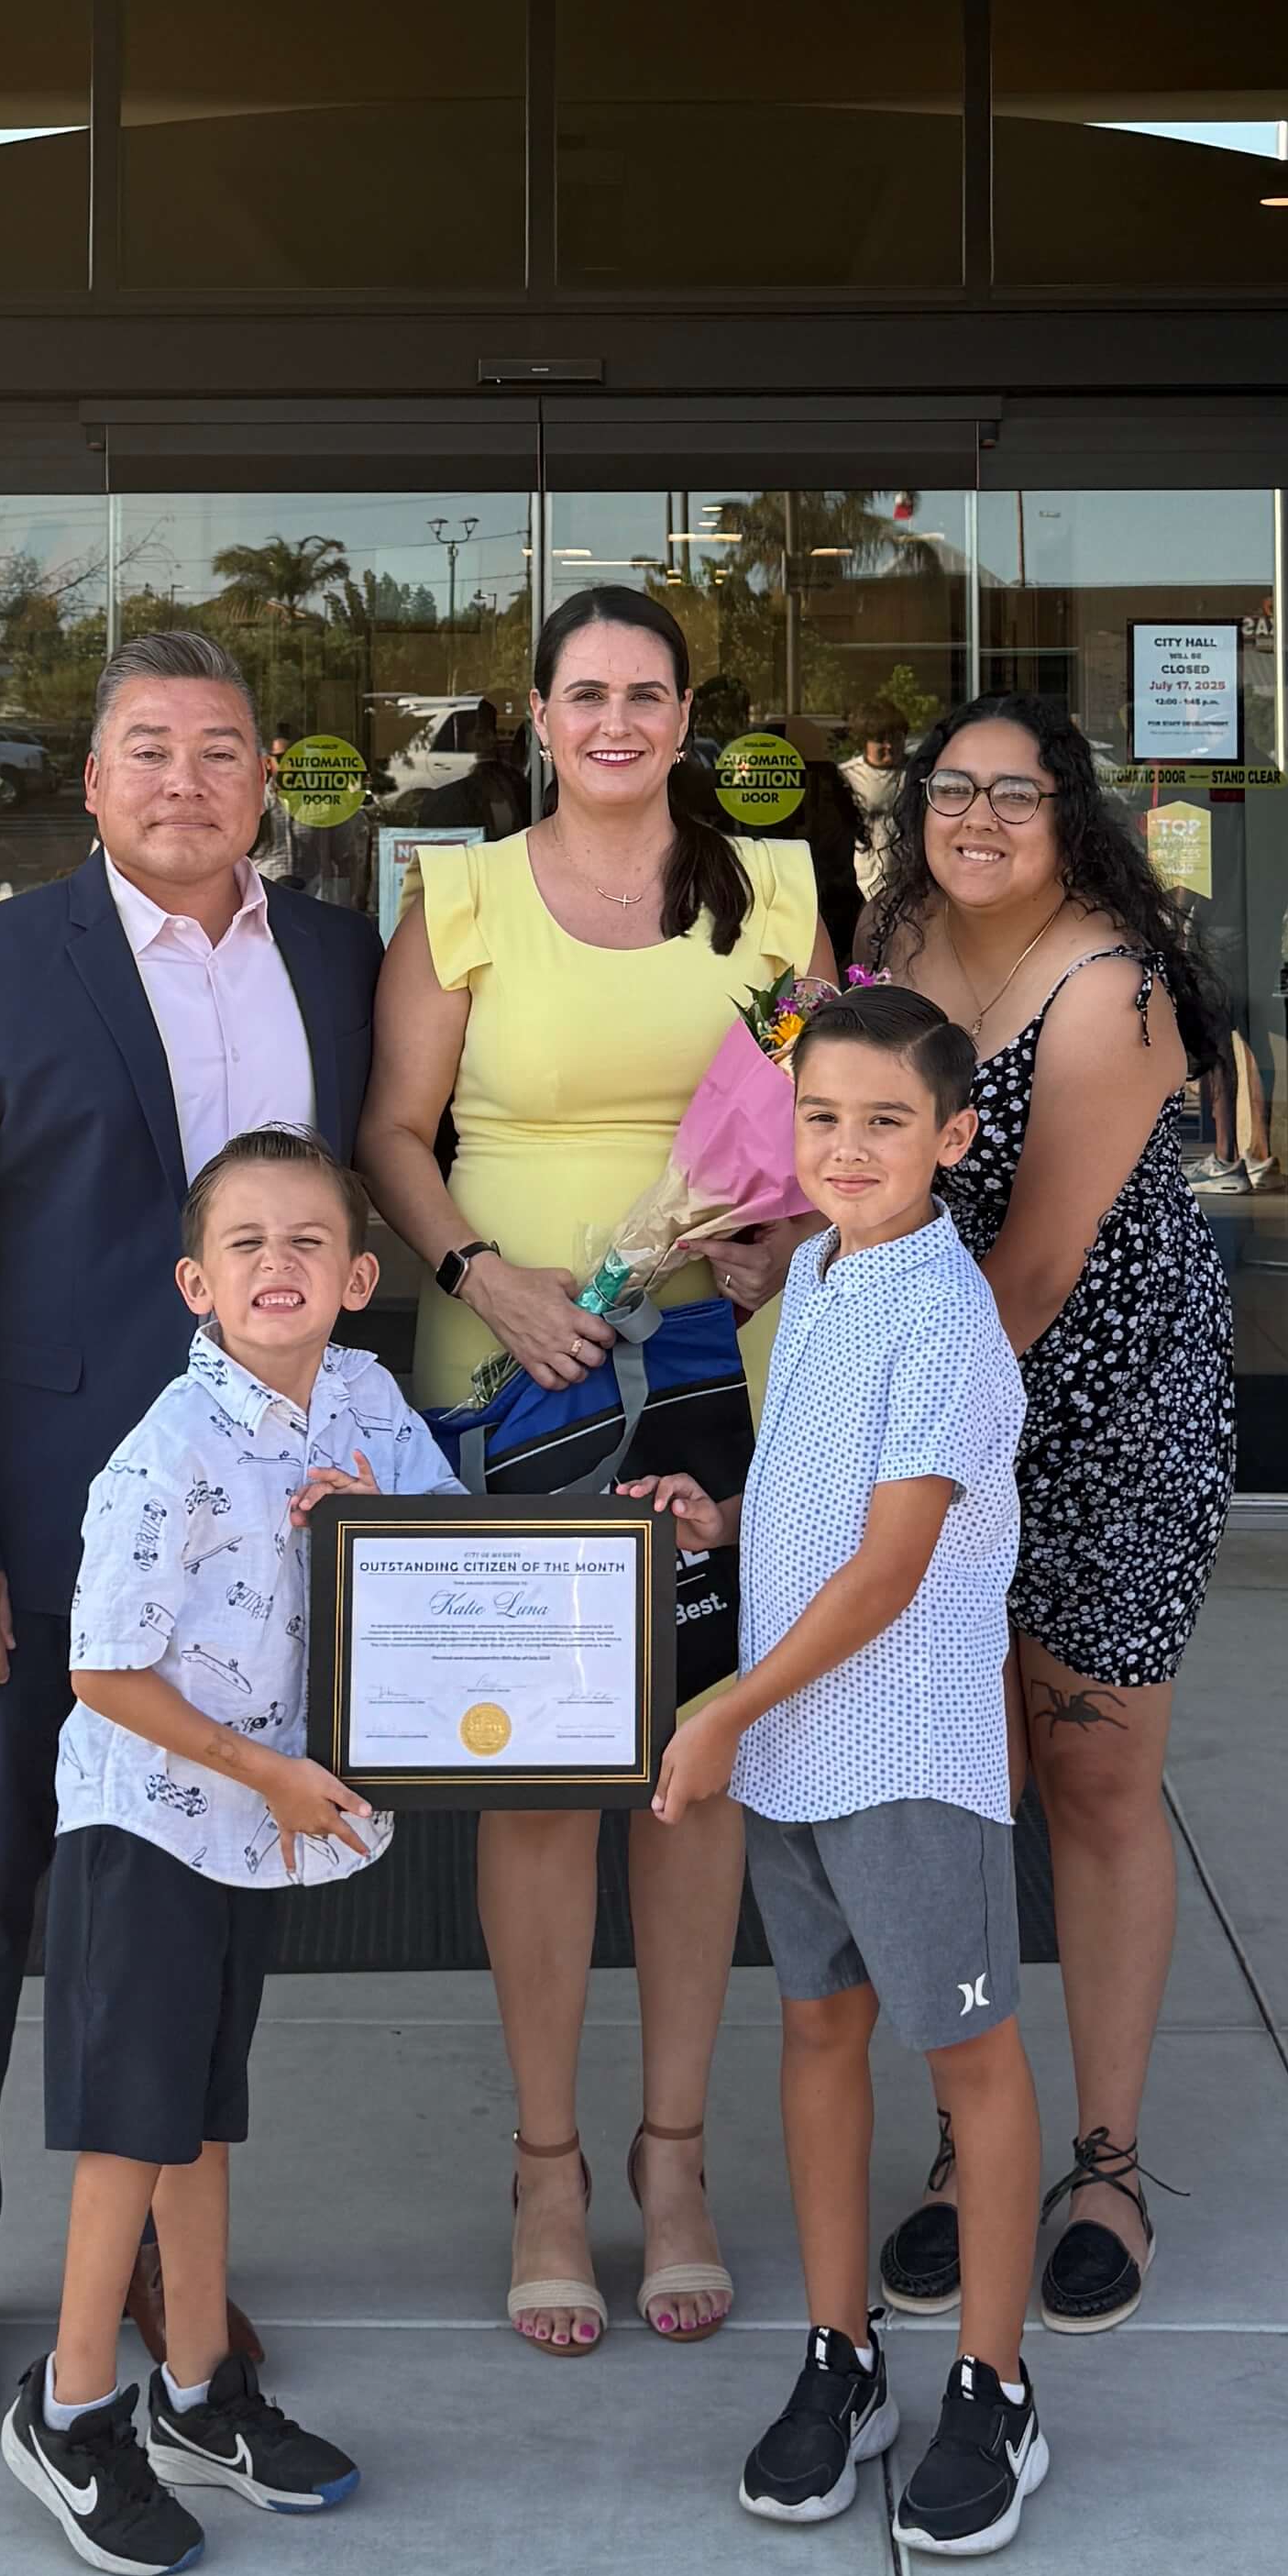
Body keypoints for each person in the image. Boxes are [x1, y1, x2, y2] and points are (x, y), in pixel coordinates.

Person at [0, 630, 384, 2435]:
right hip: (42, 1531)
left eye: (220, 750)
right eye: (146, 749)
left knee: (197, 1899)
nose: (184, 780)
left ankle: (172, 2253)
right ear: (89, 785)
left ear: (265, 783)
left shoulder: (336, 960)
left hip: (267, 1537)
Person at [358, 584, 831, 2354]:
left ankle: (678, 2157)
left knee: (692, 1765)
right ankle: (549, 2165)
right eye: (586, 694)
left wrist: (790, 1232)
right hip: (520, 1378)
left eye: (648, 694)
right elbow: (393, 1132)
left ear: (687, 717)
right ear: (535, 716)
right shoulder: (461, 896)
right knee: (545, 1773)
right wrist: (485, 1276)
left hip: (731, 1373)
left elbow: (826, 1105)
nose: (617, 721)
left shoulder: (775, 894)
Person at [4, 1128, 459, 2576]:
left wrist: (375, 1523)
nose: (280, 1265)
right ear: (197, 1284)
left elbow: (444, 1556)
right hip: (154, 1820)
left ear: (361, 1275)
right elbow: (106, 1675)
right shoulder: (170, 1453)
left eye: (310, 1241)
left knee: (200, 2110)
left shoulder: (373, 1405)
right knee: (130, 2123)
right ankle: (72, 2406)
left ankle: (199, 2391)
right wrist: (271, 1772)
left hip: (255, 1833)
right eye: (247, 1245)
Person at [647, 984, 1050, 2559]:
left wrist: (726, 1705)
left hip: (905, 1748)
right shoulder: (813, 1278)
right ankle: (843, 2356)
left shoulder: (948, 1315)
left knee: (970, 2061)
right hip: (801, 1747)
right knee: (819, 2031)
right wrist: (729, 1526)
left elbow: (892, 1567)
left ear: (954, 1137)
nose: (850, 1147)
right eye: (822, 1118)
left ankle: (994, 2387)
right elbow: (823, 1498)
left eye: (888, 1122)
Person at [858, 696, 1236, 2339]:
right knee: (961, 1779)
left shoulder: (1110, 988)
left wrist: (876, 1441)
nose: (983, 817)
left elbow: (1029, 1271)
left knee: (1090, 1776)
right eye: (955, 789)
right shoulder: (888, 940)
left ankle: (1103, 2162)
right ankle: (968, 2143)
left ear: (1073, 815)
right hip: (947, 1416)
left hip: (1100, 1421)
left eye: (1020, 793)